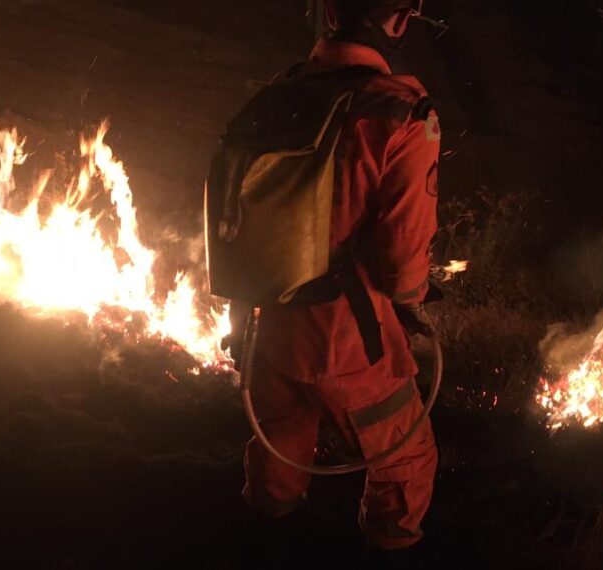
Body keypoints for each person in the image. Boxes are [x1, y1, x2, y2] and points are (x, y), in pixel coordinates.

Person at [226, 0, 442, 565]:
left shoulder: (276, 94)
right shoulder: (398, 112)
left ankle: (263, 545)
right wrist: (414, 302)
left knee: (279, 450)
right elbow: (401, 255)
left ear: (326, 12)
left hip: (267, 324)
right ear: (396, 20)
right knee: (405, 457)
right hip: (347, 339)